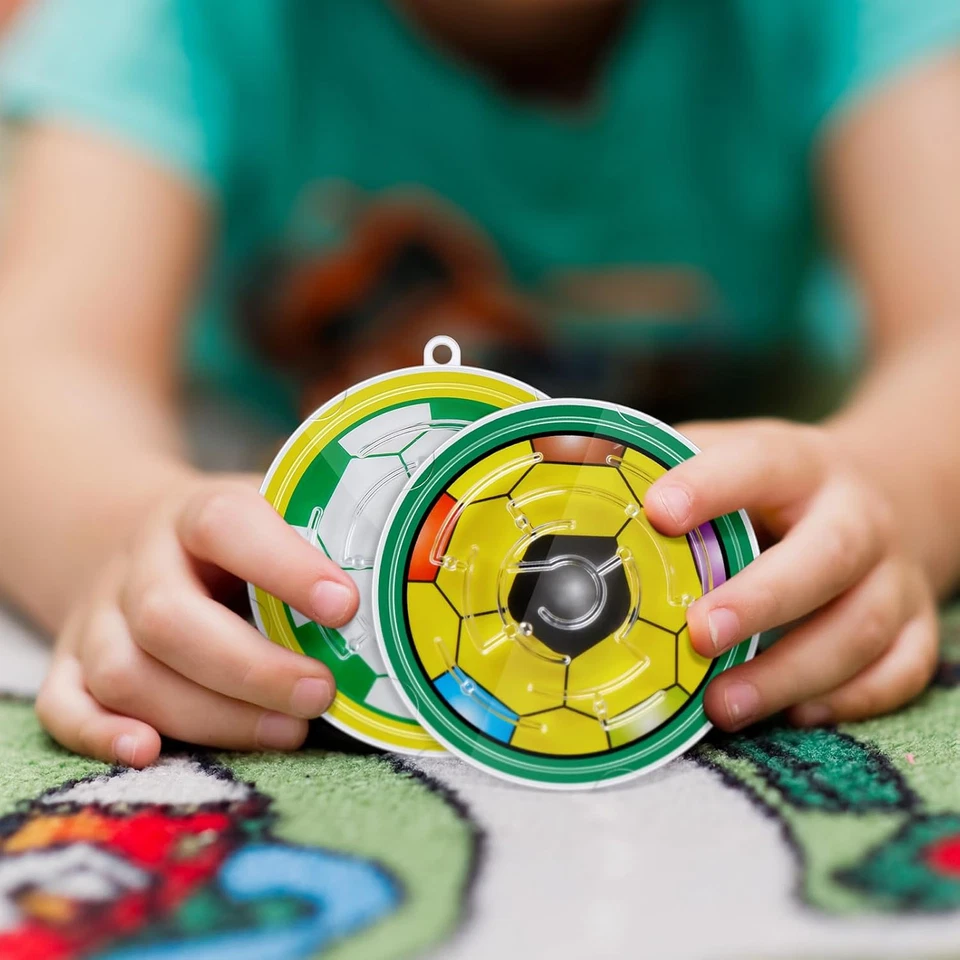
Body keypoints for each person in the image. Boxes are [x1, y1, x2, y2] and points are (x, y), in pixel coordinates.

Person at [0, 0, 959, 769]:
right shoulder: (156, 19)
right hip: (275, 496)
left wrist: (895, 484)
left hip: (708, 518)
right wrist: (118, 529)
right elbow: (39, 370)